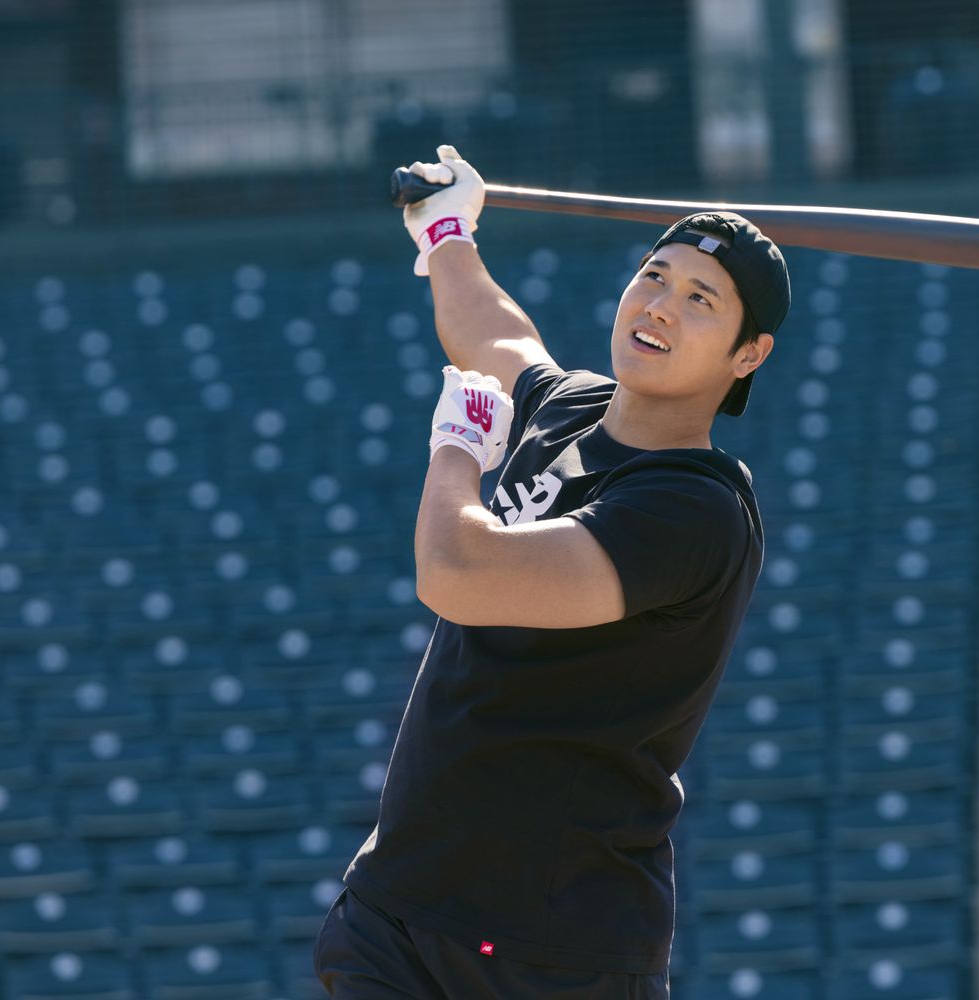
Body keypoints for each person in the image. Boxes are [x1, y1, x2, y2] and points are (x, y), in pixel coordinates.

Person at [313, 145, 789, 999]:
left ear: (747, 356)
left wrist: (457, 447)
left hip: (550, 949)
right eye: (654, 275)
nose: (661, 306)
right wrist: (446, 229)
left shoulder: (695, 510)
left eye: (699, 298)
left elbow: (457, 569)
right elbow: (496, 333)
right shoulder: (573, 406)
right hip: (399, 905)